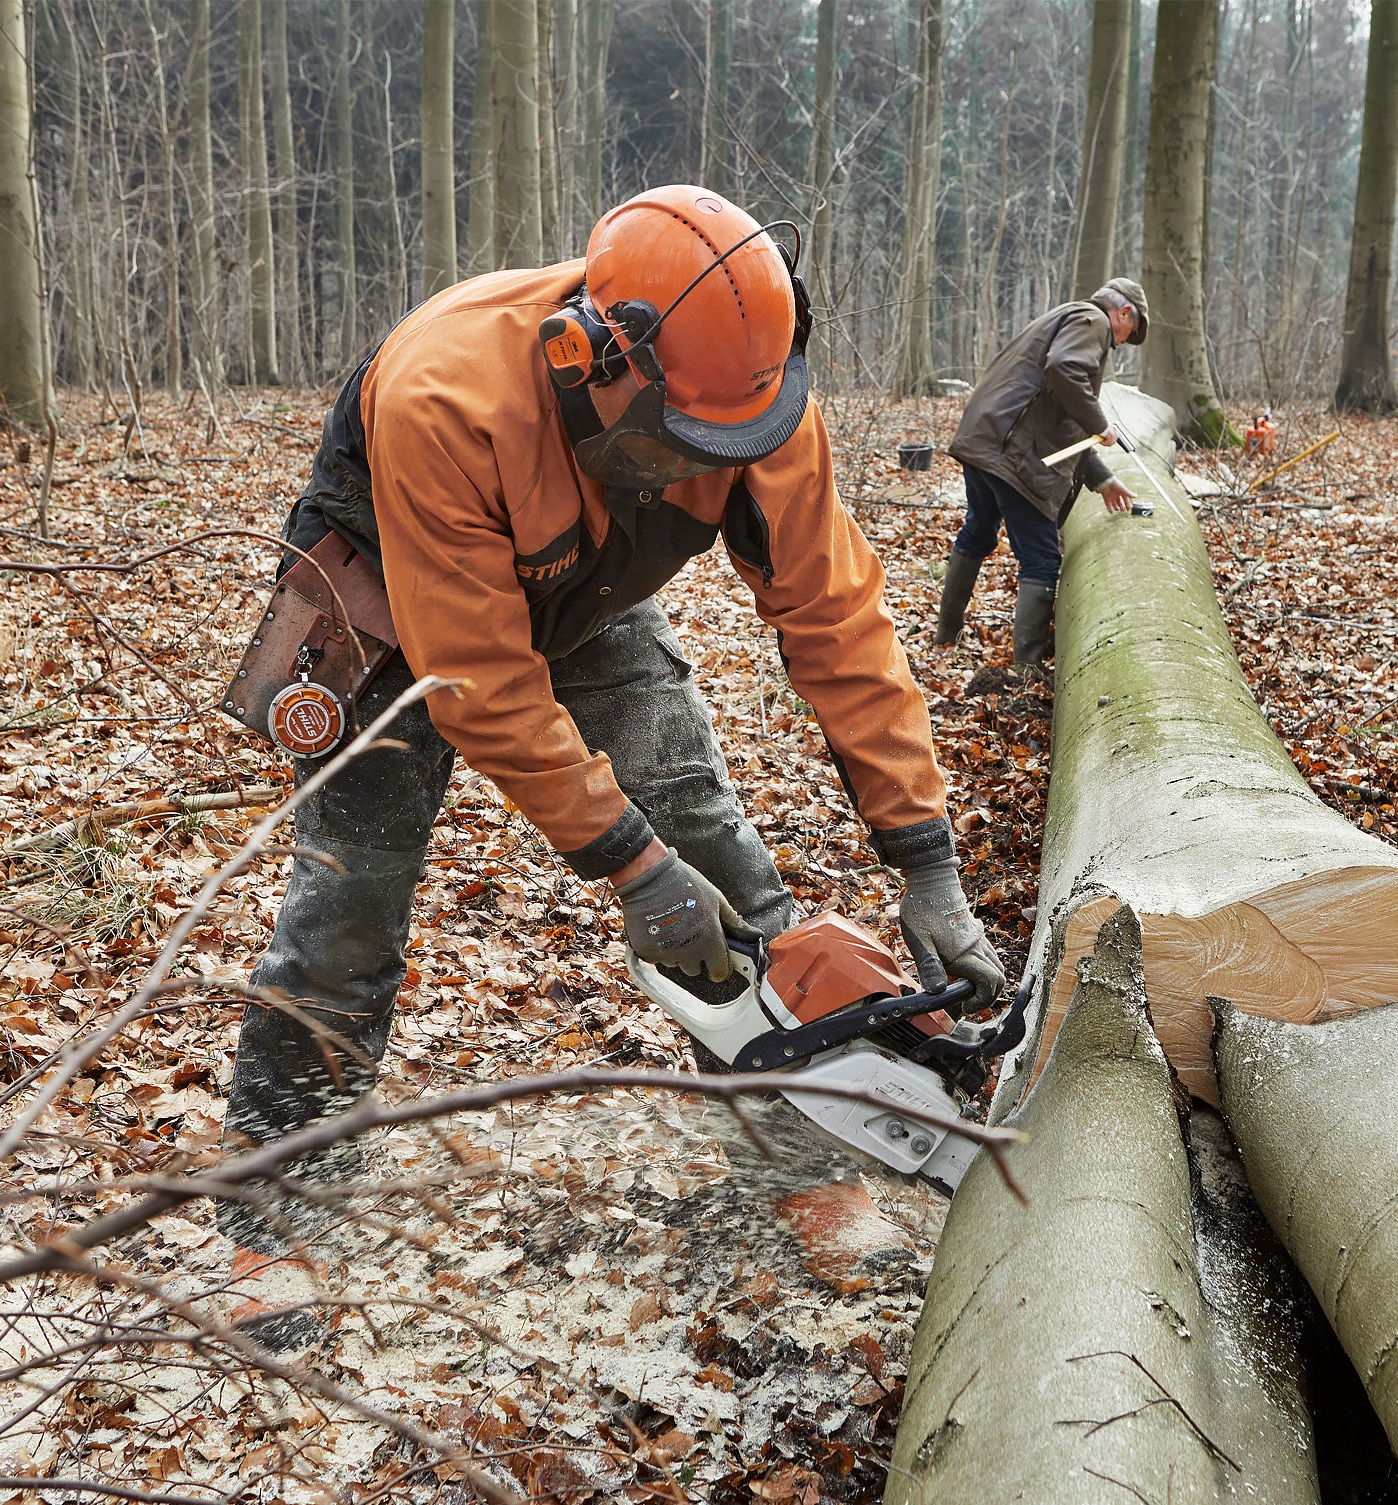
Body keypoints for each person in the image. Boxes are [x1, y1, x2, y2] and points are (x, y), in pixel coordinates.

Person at [219, 186, 1006, 1345]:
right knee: (348, 902)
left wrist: (921, 852)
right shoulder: (450, 390)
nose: (708, 457)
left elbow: (835, 621)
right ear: (594, 354)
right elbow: (477, 680)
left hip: (590, 593)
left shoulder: (754, 389)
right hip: (394, 603)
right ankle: (274, 1219)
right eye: (686, 435)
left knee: (720, 858)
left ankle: (792, 1154)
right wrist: (631, 872)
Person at [935, 277, 1150, 669]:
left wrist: (1102, 480)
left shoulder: (1064, 316)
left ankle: (944, 637)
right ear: (1123, 313)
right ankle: (1026, 671)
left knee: (978, 531)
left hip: (984, 439)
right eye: (1127, 332)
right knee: (1041, 559)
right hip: (1012, 453)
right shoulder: (1092, 321)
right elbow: (1065, 371)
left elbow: (1058, 422)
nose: (1120, 342)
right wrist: (1100, 424)